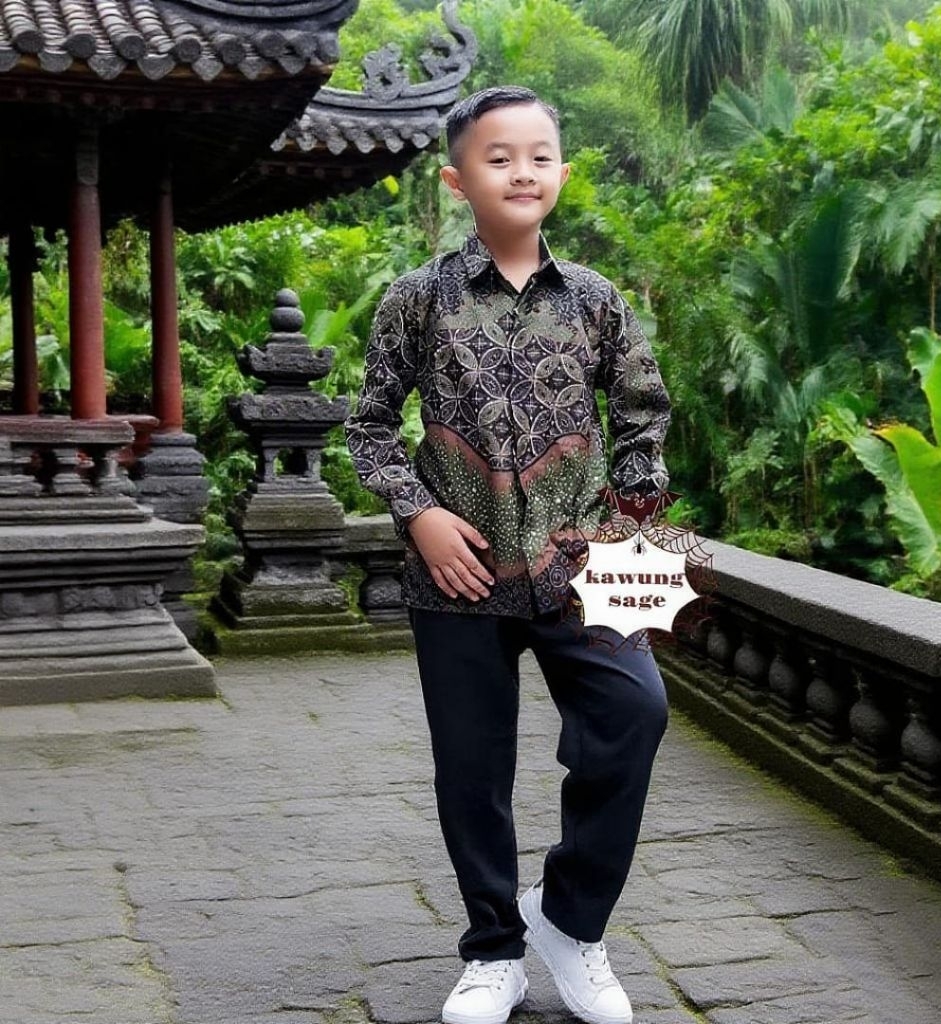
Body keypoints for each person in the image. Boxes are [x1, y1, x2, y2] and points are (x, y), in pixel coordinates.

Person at [345, 85, 672, 1024]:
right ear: (459, 181)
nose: (522, 172)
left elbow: (643, 418)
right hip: (457, 574)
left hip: (586, 564)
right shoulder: (417, 299)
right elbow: (370, 427)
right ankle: (494, 951)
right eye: (498, 158)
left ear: (561, 171)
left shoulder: (597, 300)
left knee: (635, 713)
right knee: (471, 771)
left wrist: (634, 512)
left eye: (539, 156)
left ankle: (568, 920)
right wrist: (419, 515)